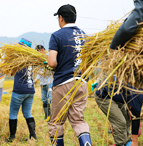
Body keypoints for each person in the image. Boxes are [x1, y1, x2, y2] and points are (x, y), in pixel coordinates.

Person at [95, 0, 143, 146]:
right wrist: (136, 141)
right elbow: (136, 114)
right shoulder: (139, 89)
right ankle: (123, 143)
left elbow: (135, 114)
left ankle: (125, 142)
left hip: (119, 97)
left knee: (127, 123)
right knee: (121, 123)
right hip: (104, 96)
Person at [47, 4, 91, 146]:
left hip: (63, 83)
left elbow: (52, 63)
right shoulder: (85, 36)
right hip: (81, 83)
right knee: (78, 120)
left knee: (57, 121)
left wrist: (48, 64)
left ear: (61, 18)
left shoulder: (57, 36)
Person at [6, 38, 37, 142]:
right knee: (27, 113)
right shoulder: (33, 58)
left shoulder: (18, 58)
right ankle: (33, 136)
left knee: (13, 113)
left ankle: (12, 137)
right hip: (30, 90)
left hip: (19, 90)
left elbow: (10, 71)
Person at [34, 45, 53, 121]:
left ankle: (53, 116)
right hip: (42, 83)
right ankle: (46, 116)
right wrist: (36, 79)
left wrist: (47, 67)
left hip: (50, 81)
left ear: (42, 50)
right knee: (44, 99)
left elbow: (52, 68)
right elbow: (39, 70)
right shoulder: (39, 59)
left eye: (38, 52)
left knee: (51, 99)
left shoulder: (49, 56)